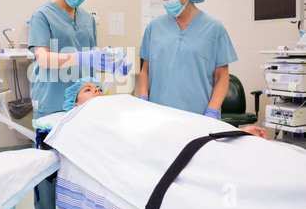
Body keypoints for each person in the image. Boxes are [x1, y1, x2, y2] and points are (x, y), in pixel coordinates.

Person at [28, 0, 118, 209]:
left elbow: (91, 60)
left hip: (84, 106)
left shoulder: (88, 18)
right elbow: (43, 58)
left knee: (79, 172)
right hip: (52, 102)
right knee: (50, 174)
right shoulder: (42, 15)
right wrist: (82, 57)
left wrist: (110, 64)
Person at [139, 0, 238, 120]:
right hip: (158, 114)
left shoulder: (214, 28)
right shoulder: (154, 27)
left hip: (199, 116)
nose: (165, 2)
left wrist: (212, 111)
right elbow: (145, 70)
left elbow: (222, 77)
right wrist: (143, 99)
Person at [64, 77, 268, 139]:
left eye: (99, 88)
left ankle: (234, 132)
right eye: (88, 90)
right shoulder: (82, 121)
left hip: (150, 123)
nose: (97, 90)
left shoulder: (117, 104)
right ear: (76, 104)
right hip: (141, 135)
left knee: (182, 124)